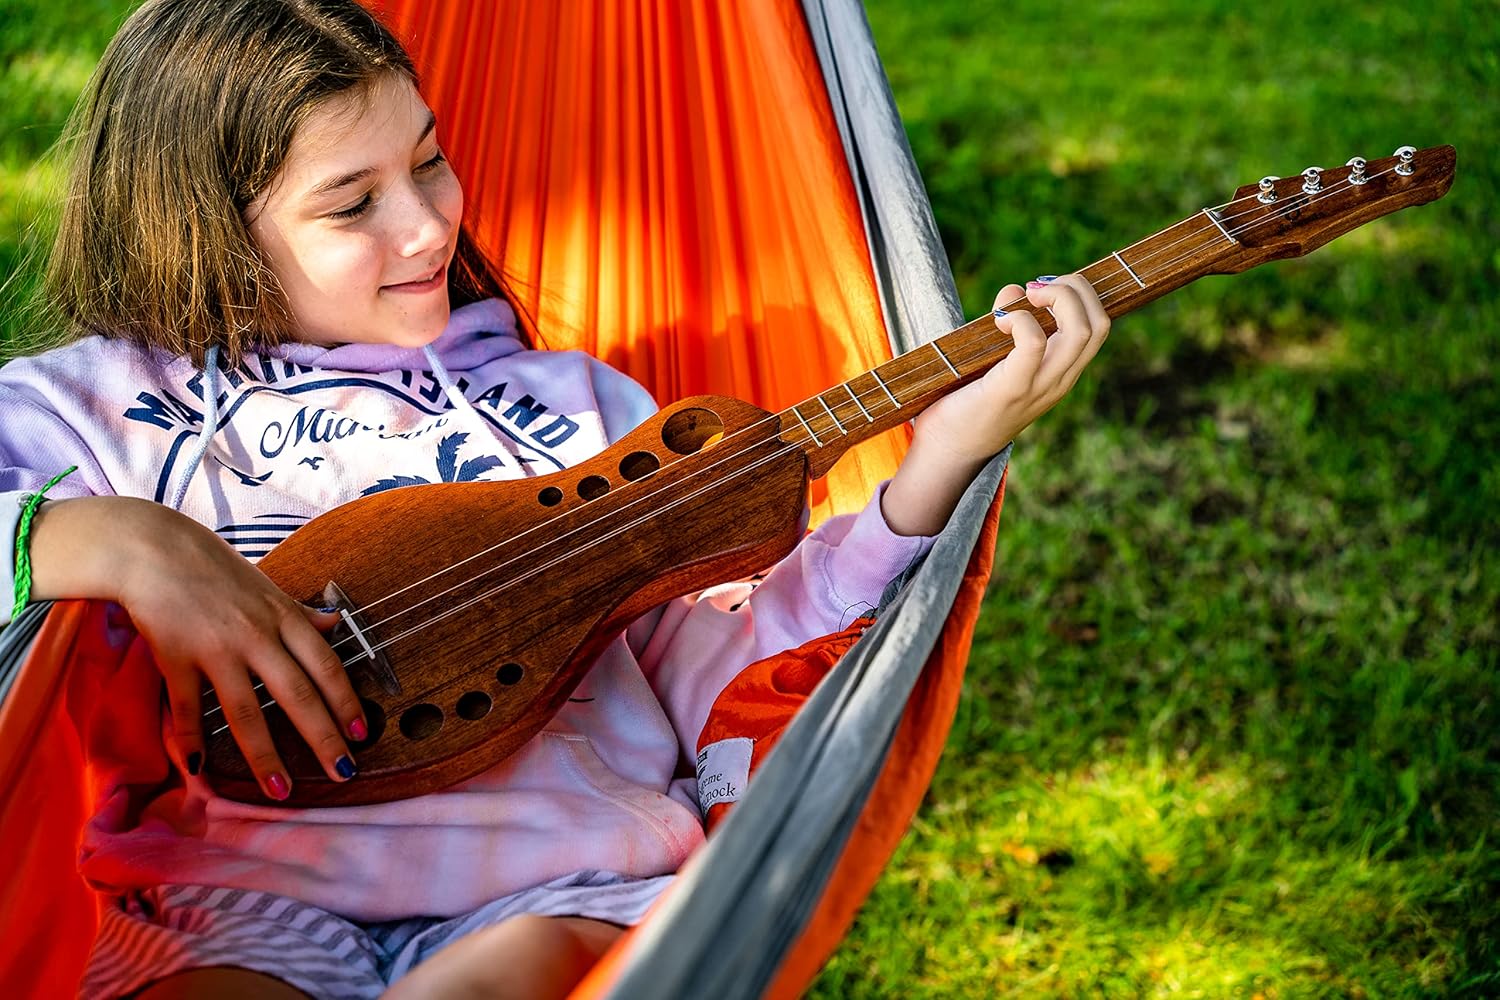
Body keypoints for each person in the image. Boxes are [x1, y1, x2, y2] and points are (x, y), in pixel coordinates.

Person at [0, 0, 1110, 997]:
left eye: (430, 163)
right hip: (230, 895)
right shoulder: (99, 414)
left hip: (554, 883)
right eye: (354, 205)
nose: (431, 226)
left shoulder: (576, 410)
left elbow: (714, 665)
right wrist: (119, 539)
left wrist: (937, 464)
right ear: (201, 228)